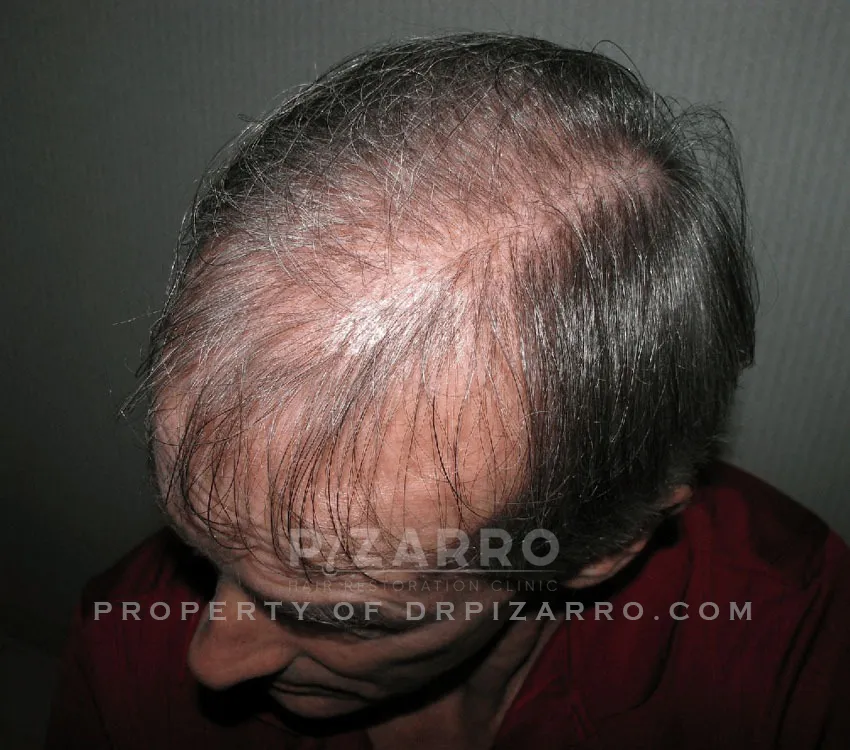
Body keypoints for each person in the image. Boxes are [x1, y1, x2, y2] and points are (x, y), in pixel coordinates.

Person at [46, 33, 850, 749]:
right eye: (204, 548)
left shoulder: (792, 655)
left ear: (603, 545)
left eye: (340, 615)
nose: (212, 661)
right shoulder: (128, 662)